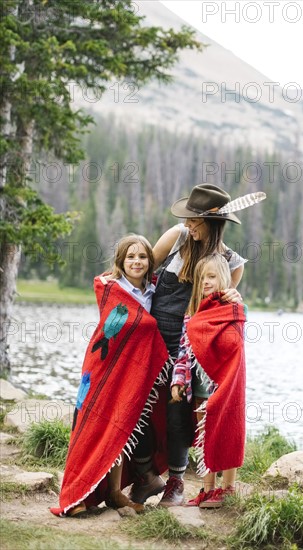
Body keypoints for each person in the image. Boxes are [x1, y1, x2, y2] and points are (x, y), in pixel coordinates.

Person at [129, 184, 250, 507]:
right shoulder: (177, 237)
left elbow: (215, 312)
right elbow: (139, 274)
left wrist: (235, 298)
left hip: (187, 349)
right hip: (149, 339)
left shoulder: (231, 263)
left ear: (211, 223)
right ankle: (145, 475)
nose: (189, 225)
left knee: (177, 413)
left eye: (194, 220)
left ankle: (176, 483)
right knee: (134, 405)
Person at [50, 235, 169, 517]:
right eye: (130, 257)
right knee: (91, 429)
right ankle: (76, 493)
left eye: (142, 257)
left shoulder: (154, 291)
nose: (136, 262)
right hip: (103, 369)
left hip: (133, 374)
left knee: (121, 427)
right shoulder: (111, 288)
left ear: (150, 262)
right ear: (120, 261)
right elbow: (121, 325)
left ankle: (115, 493)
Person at [170, 253, 246, 508]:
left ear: (223, 277)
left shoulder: (233, 308)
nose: (206, 282)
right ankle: (207, 489)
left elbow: (236, 347)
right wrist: (177, 381)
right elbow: (183, 349)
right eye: (201, 278)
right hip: (199, 387)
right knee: (205, 434)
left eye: (212, 276)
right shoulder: (193, 312)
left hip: (224, 385)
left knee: (228, 432)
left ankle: (227, 489)